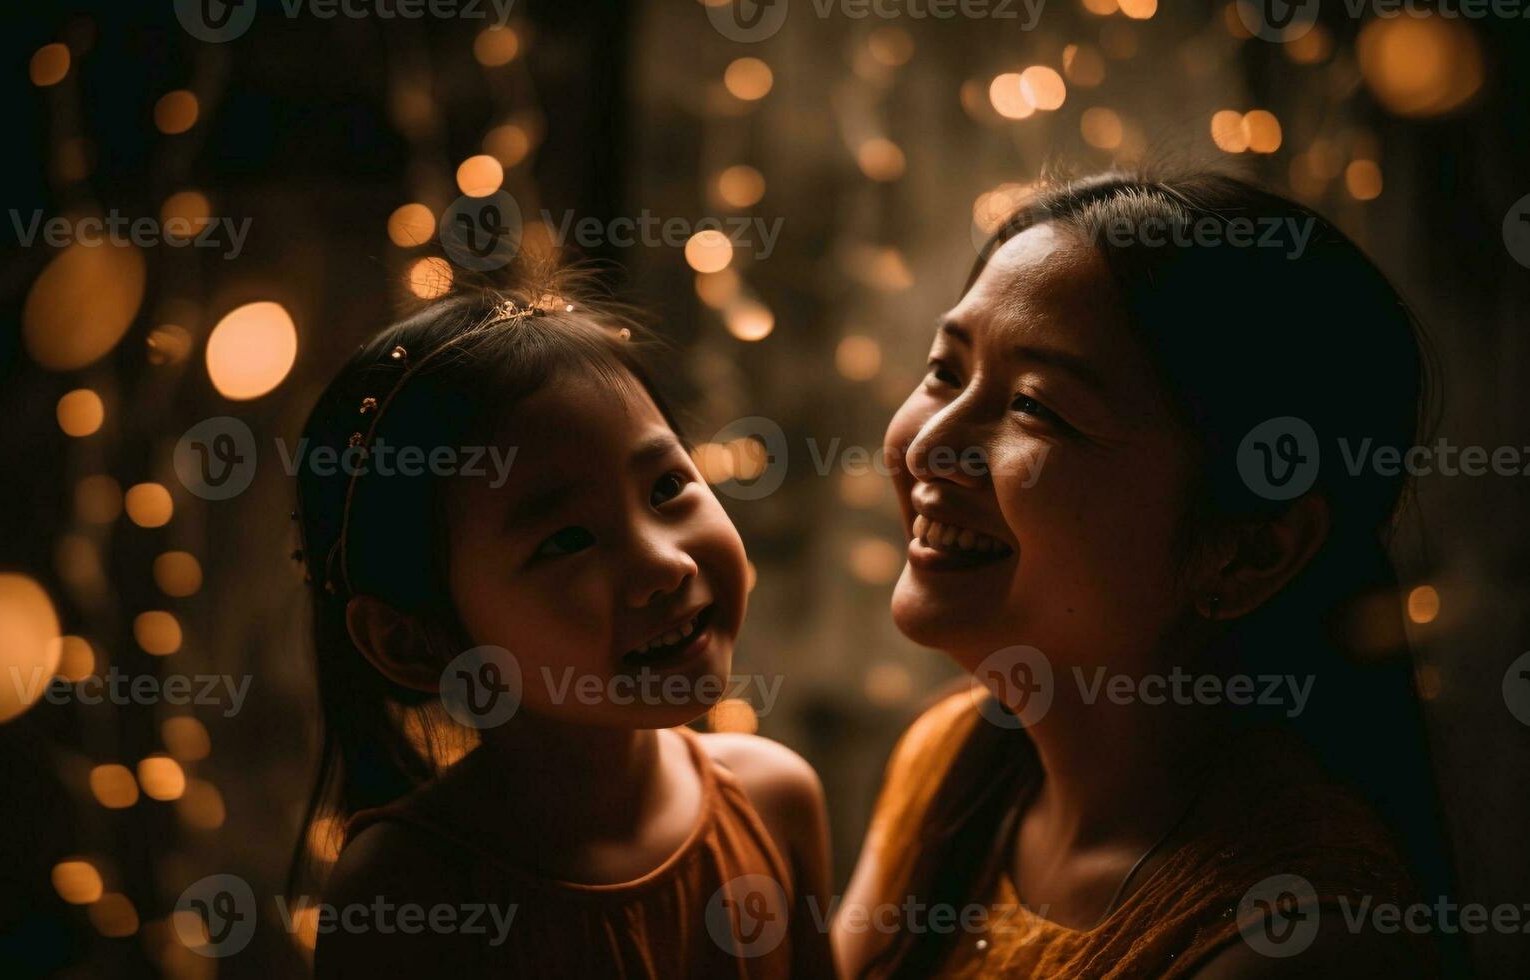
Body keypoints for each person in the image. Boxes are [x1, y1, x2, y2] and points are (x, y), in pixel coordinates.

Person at [837, 172, 1460, 978]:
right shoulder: (949, 757)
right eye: (944, 372)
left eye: (1035, 407)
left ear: (1248, 553)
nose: (927, 448)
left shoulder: (1291, 943)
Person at [292, 273, 833, 978]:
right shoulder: (406, 895)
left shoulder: (774, 799)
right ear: (411, 640)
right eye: (566, 540)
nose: (663, 564)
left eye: (667, 487)